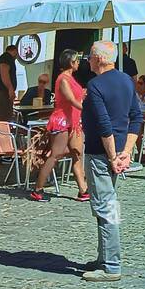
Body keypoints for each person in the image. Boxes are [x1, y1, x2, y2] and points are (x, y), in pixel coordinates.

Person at [79, 40, 143, 282]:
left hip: (100, 154)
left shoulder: (95, 85)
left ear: (99, 59)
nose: (88, 60)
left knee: (105, 209)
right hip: (116, 152)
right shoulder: (126, 80)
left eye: (90, 56)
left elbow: (104, 124)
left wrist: (113, 155)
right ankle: (103, 257)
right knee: (105, 206)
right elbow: (136, 116)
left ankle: (111, 266)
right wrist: (126, 151)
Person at [29, 50, 89, 202]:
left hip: (73, 121)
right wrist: (88, 109)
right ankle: (38, 189)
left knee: (77, 154)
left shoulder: (71, 78)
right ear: (70, 62)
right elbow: (70, 99)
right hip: (62, 121)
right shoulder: (63, 79)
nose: (78, 62)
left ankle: (83, 190)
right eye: (76, 60)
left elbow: (77, 96)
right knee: (55, 155)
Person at [0, 43, 18, 122]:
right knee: (3, 117)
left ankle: (3, 132)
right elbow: (4, 74)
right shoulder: (6, 58)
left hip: (3, 91)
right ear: (14, 51)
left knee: (6, 116)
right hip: (3, 92)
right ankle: (1, 133)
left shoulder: (5, 58)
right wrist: (10, 89)